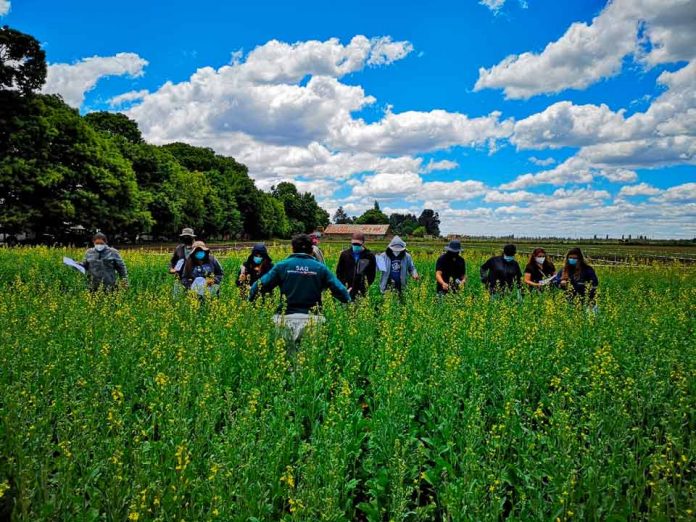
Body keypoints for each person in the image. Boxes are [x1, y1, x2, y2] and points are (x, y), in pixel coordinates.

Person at [249, 234, 350, 342]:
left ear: (292, 249)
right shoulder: (320, 268)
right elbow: (342, 293)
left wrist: (251, 297)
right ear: (312, 250)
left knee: (285, 357)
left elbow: (258, 286)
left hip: (285, 319)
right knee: (310, 357)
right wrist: (346, 296)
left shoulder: (282, 266)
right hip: (313, 320)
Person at [335, 232, 377, 299]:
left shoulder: (369, 256)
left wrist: (365, 284)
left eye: (358, 244)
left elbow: (372, 273)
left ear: (363, 243)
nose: (355, 245)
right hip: (347, 288)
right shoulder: (345, 254)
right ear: (351, 242)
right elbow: (339, 272)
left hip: (362, 289)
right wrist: (343, 285)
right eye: (354, 243)